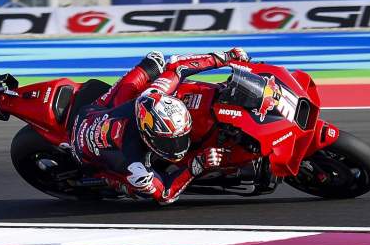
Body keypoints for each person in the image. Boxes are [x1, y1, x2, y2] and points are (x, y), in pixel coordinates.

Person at [68, 47, 250, 204]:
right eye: (171, 141)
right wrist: (197, 164)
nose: (178, 145)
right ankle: (105, 181)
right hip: (84, 152)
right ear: (149, 136)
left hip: (97, 111)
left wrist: (224, 57)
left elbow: (178, 67)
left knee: (154, 60)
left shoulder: (153, 94)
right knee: (138, 190)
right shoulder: (136, 164)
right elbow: (165, 195)